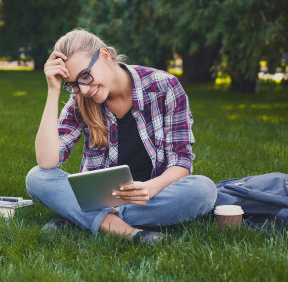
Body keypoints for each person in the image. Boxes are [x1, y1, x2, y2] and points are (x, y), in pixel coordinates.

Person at [26, 28, 217, 244]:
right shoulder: (80, 101)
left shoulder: (165, 87)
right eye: (74, 85)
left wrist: (150, 188)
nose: (84, 89)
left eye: (85, 76)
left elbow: (181, 162)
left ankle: (82, 219)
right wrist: (53, 90)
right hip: (100, 198)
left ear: (105, 56)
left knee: (203, 190)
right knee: (37, 178)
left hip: (151, 197)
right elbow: (47, 161)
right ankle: (132, 234)